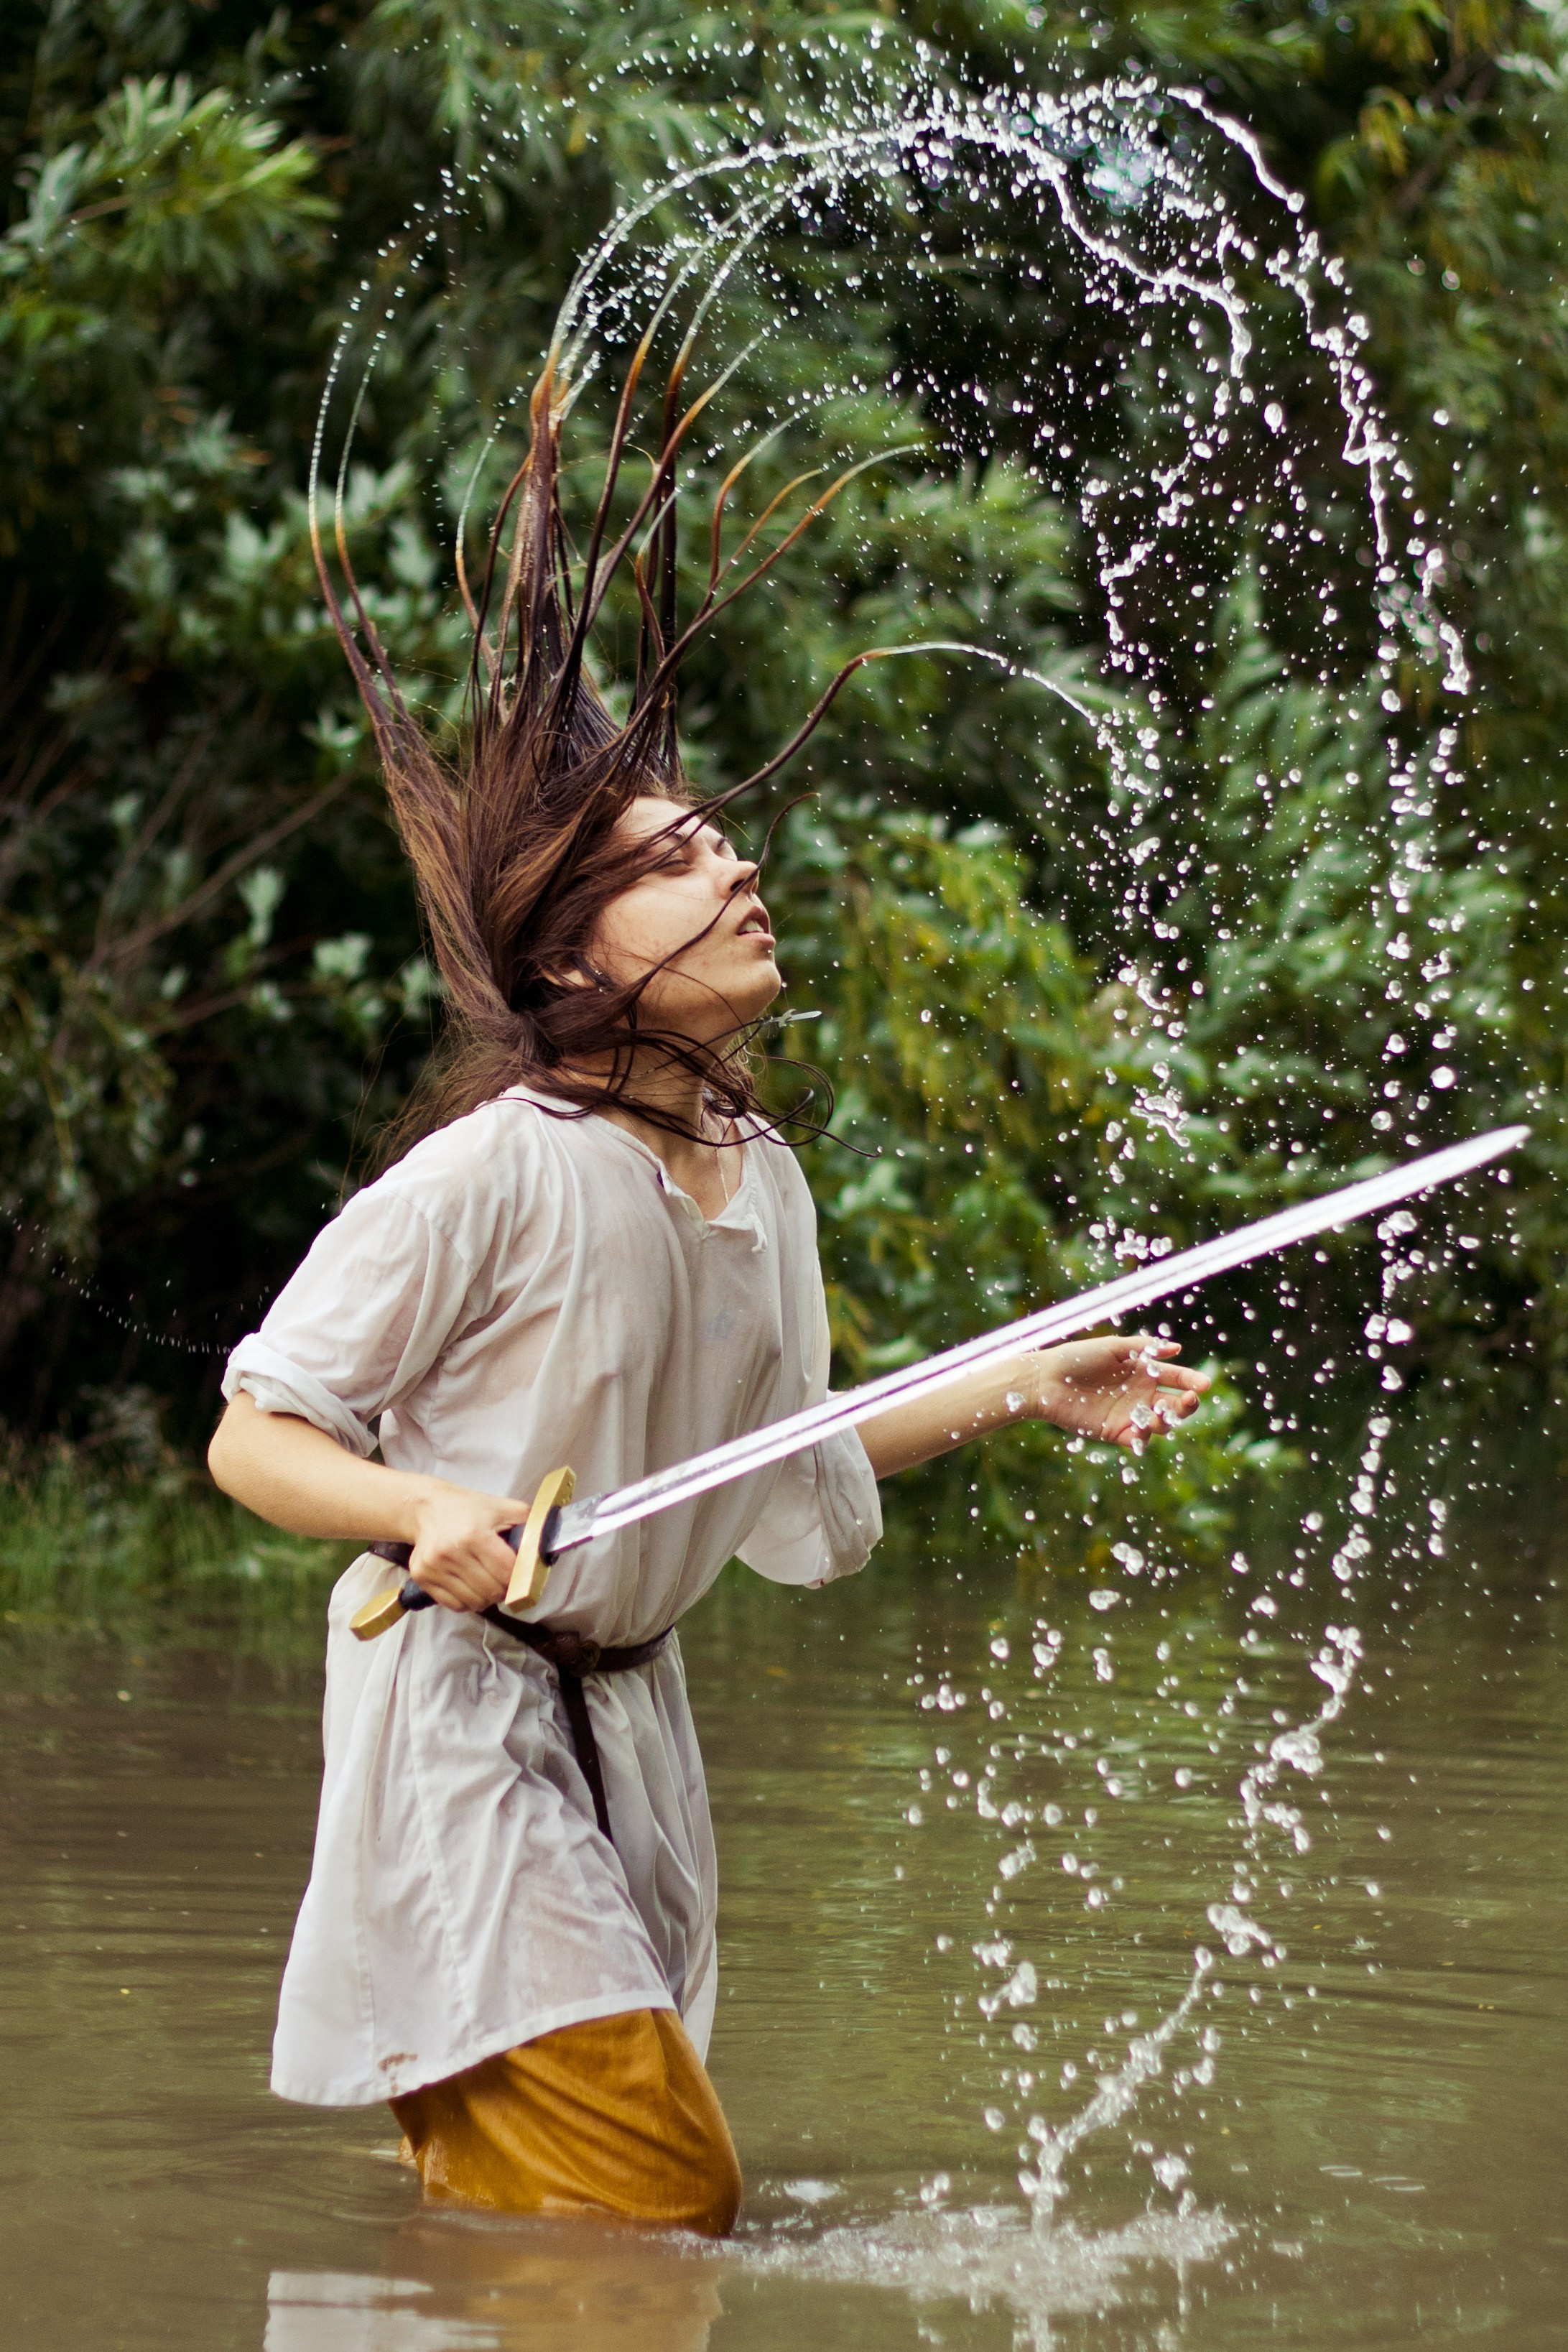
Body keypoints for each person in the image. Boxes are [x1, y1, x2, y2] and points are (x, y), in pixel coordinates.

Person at [207, 349, 1210, 2239]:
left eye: (718, 840)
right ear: (583, 953)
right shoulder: (496, 1167)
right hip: (468, 1720)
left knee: (597, 2213)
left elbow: (778, 1454)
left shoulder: (761, 1174)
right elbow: (256, 1432)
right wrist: (426, 1504)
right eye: (675, 861)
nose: (737, 862)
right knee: (664, 2202)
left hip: (631, 1738)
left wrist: (1026, 1376)